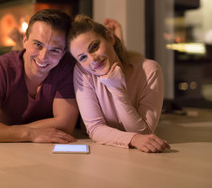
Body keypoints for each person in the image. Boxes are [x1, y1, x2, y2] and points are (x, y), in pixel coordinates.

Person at [0, 9, 79, 143]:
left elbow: (64, 125)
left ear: (63, 53)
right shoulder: (1, 68)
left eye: (55, 50)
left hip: (41, 147)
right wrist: (30, 134)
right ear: (25, 40)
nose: (43, 57)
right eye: (38, 44)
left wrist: (3, 131)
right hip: (3, 150)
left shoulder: (67, 69)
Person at [67, 14, 170, 153]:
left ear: (110, 37)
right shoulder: (82, 71)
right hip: (103, 151)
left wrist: (116, 89)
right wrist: (133, 139)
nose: (93, 59)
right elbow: (95, 128)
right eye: (83, 57)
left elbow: (144, 133)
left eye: (95, 47)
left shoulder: (149, 70)